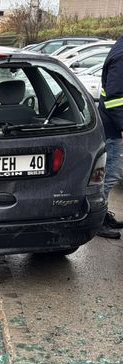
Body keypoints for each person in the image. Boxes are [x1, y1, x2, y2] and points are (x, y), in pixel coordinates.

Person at [96, 37, 123, 239]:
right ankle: (97, 221)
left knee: (109, 176)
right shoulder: (122, 55)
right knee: (107, 177)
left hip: (111, 125)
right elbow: (114, 97)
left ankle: (102, 214)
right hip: (113, 128)